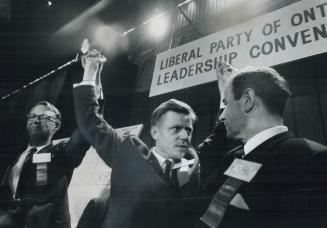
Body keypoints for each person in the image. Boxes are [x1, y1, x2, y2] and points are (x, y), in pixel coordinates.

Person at [73, 50, 200, 228]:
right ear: (155, 133)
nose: (185, 136)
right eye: (176, 129)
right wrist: (91, 71)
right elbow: (90, 122)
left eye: (188, 129)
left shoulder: (193, 165)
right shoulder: (130, 156)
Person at [199, 65, 327, 228]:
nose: (223, 116)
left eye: (227, 103)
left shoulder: (314, 160)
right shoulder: (233, 156)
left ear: (247, 100)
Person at [0, 101, 90, 228]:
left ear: (56, 126)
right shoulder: (14, 155)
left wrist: (91, 105)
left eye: (44, 117)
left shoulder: (61, 153)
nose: (36, 120)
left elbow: (82, 137)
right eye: (32, 116)